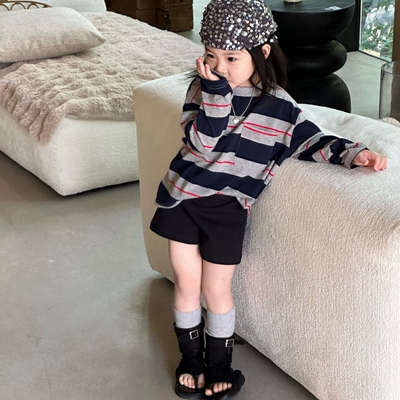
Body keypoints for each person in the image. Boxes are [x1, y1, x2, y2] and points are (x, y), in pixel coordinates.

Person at [150, 0, 388, 398]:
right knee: (187, 284)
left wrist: (353, 154)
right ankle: (189, 360)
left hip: (228, 210)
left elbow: (311, 140)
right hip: (183, 197)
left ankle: (220, 365)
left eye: (231, 58)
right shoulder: (200, 89)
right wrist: (215, 94)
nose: (219, 67)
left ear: (261, 52)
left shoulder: (279, 106)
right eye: (211, 55)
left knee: (216, 290)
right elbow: (202, 142)